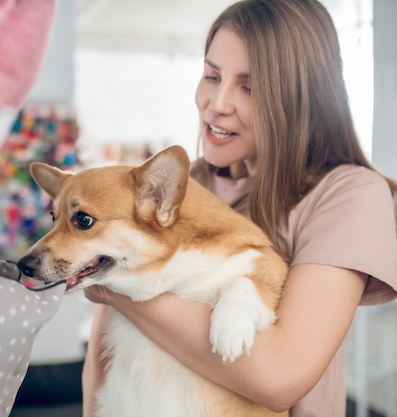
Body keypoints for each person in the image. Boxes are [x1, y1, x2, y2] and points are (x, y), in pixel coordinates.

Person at [81, 0, 397, 416]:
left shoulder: (348, 195)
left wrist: (119, 286)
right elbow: (101, 367)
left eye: (249, 87)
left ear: (303, 98)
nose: (217, 103)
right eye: (211, 75)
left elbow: (280, 376)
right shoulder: (177, 188)